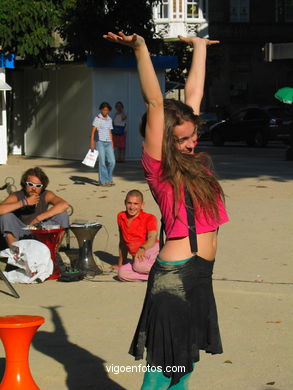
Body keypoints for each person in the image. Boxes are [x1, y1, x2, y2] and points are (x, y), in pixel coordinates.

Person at [104, 31, 229, 389]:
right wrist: (141, 49)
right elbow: (156, 103)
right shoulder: (158, 168)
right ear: (163, 141)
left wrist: (200, 49)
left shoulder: (195, 162)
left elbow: (193, 96)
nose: (192, 143)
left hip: (200, 275)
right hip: (174, 278)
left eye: (194, 136)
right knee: (161, 369)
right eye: (183, 139)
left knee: (184, 366)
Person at [0, 167, 69, 248]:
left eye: (38, 185)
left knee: (63, 215)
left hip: (40, 229)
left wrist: (39, 218)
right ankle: (16, 255)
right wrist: (24, 202)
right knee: (6, 217)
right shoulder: (17, 195)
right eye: (30, 184)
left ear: (42, 187)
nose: (34, 188)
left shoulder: (46, 194)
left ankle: (52, 251)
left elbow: (64, 204)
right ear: (25, 184)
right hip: (20, 231)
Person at [115, 189, 159, 282]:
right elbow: (122, 242)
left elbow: (152, 238)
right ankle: (156, 277)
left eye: (136, 204)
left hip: (152, 250)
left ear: (142, 205)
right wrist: (120, 264)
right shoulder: (120, 216)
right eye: (129, 203)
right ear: (125, 203)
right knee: (121, 273)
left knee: (138, 266)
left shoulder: (149, 218)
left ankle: (167, 271)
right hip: (138, 259)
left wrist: (142, 248)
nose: (132, 207)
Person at [90, 102, 116, 186]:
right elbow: (93, 132)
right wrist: (92, 144)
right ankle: (103, 181)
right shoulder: (98, 118)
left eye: (107, 110)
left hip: (108, 142)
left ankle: (108, 178)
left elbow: (110, 132)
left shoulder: (110, 119)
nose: (105, 111)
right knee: (102, 163)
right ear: (101, 109)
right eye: (104, 110)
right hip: (100, 142)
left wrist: (112, 143)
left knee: (112, 162)